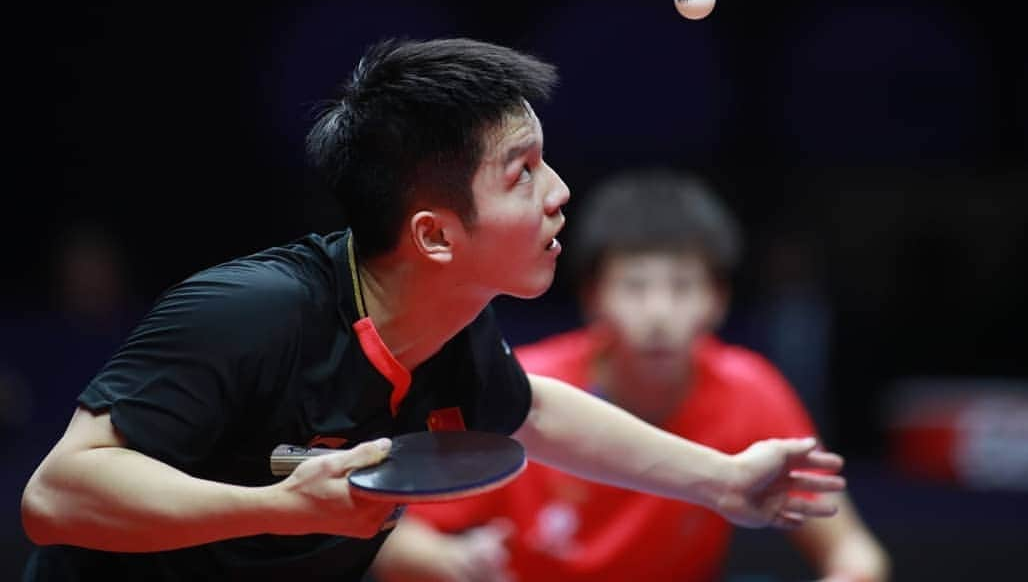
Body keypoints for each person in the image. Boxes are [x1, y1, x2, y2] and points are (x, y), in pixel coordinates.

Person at [20, 38, 846, 581]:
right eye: (522, 174)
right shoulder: (251, 311)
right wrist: (279, 505)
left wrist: (724, 479)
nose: (561, 194)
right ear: (436, 235)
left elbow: (531, 411)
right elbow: (57, 496)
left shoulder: (450, 328)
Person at [372, 168, 889, 582]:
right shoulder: (520, 389)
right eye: (636, 287)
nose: (660, 312)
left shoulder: (751, 389)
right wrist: (451, 562)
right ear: (594, 296)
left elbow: (855, 553)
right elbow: (392, 540)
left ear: (719, 300)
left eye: (683, 287)